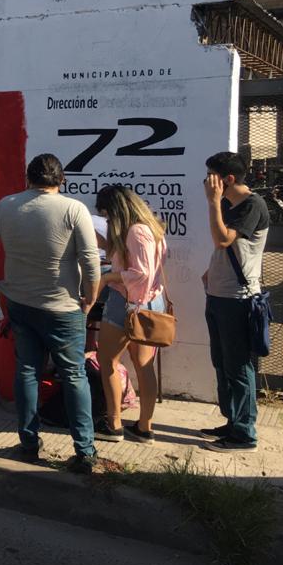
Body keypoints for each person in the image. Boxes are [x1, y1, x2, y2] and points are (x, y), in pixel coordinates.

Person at [0, 154, 101, 473]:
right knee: (74, 375)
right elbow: (90, 261)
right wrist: (89, 300)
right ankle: (84, 451)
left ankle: (29, 444)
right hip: (64, 308)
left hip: (20, 304)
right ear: (61, 181)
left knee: (27, 371)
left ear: (27, 179)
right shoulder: (74, 209)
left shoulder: (7, 205)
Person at [201, 151, 269, 453]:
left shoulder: (252, 205)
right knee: (222, 362)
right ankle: (232, 421)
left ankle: (244, 433)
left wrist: (214, 202)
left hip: (238, 299)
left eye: (210, 176)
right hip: (218, 294)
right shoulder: (230, 204)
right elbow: (224, 249)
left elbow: (222, 239)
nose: (206, 182)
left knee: (238, 366)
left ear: (226, 179)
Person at [93, 185, 167, 445]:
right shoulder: (150, 228)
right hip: (149, 304)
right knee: (143, 365)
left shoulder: (136, 232)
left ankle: (113, 424)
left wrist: (108, 278)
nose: (107, 220)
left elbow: (140, 274)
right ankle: (144, 427)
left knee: (108, 360)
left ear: (117, 210)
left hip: (127, 304)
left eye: (107, 215)